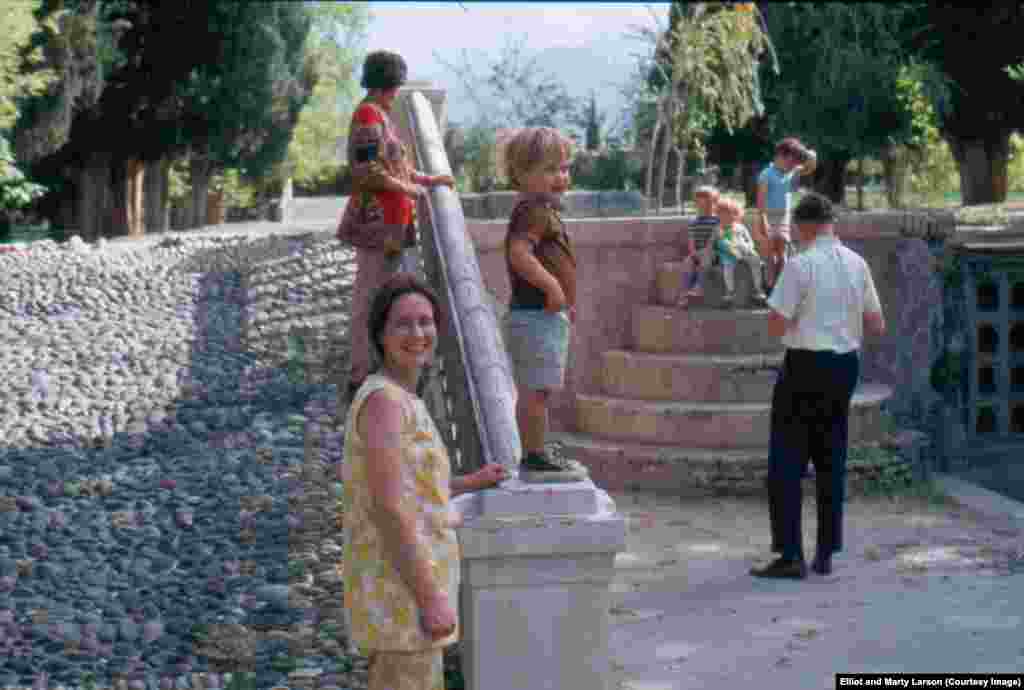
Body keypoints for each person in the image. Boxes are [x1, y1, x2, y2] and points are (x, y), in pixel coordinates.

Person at [340, 273, 508, 690]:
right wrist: (431, 598)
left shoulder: (401, 397)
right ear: (380, 334)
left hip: (406, 592)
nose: (418, 333)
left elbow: (410, 487)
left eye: (425, 321)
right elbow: (390, 507)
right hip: (401, 596)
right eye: (403, 323)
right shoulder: (385, 403)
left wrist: (471, 482)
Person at [751, 192, 886, 580]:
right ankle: (826, 551)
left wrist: (804, 321)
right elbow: (877, 324)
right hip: (844, 366)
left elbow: (776, 325)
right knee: (832, 456)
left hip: (805, 364)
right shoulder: (857, 264)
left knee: (788, 459)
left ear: (804, 226)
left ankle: (790, 553)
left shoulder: (800, 265)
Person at [346, 50, 455, 402]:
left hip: (391, 226)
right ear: (386, 84)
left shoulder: (381, 115)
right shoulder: (367, 115)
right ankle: (359, 373)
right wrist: (411, 189)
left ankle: (375, 370)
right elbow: (368, 171)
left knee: (382, 298)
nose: (396, 92)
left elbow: (397, 167)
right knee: (369, 299)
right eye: (394, 85)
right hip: (376, 223)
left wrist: (429, 178)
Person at [503, 127, 589, 482]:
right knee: (536, 389)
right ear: (522, 174)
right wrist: (553, 286)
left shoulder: (542, 210)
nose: (561, 177)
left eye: (565, 168)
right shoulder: (534, 211)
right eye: (551, 169)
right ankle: (534, 455)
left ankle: (537, 448)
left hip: (543, 315)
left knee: (540, 388)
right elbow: (518, 253)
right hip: (536, 313)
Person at [754, 138, 817, 292]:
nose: (792, 167)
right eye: (790, 163)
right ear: (780, 156)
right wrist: (763, 222)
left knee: (782, 253)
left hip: (783, 218)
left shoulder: (790, 171)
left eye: (794, 164)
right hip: (768, 217)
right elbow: (760, 202)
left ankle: (782, 286)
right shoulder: (766, 174)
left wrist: (811, 155)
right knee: (770, 255)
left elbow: (810, 167)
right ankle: (769, 286)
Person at [712, 197, 767, 308]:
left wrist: (749, 248)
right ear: (718, 216)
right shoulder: (718, 229)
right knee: (727, 268)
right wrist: (726, 247)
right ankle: (729, 292)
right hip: (728, 255)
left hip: (744, 251)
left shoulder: (740, 227)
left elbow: (749, 240)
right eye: (722, 215)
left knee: (755, 261)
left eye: (729, 214)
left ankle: (758, 289)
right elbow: (717, 243)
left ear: (735, 214)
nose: (725, 218)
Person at [677, 185, 721, 309]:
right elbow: (691, 240)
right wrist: (693, 253)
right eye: (701, 205)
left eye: (708, 205)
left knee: (706, 256)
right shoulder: (694, 222)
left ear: (715, 204)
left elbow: (715, 240)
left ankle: (698, 286)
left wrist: (705, 251)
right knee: (687, 263)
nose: (704, 208)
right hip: (698, 253)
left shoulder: (718, 221)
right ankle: (684, 294)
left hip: (714, 254)